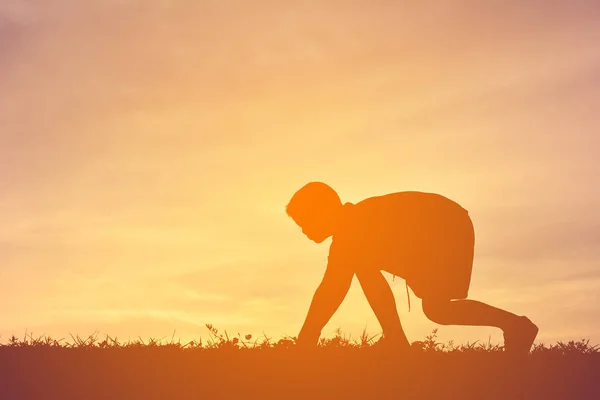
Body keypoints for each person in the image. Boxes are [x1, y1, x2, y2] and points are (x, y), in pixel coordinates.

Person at [286, 181, 538, 354]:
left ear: (322, 212)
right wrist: (307, 338)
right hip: (448, 223)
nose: (304, 231)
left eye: (305, 222)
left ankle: (396, 343)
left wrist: (305, 341)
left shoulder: (354, 228)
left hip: (446, 225)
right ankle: (517, 326)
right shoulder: (350, 228)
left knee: (365, 268)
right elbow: (332, 290)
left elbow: (332, 290)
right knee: (437, 310)